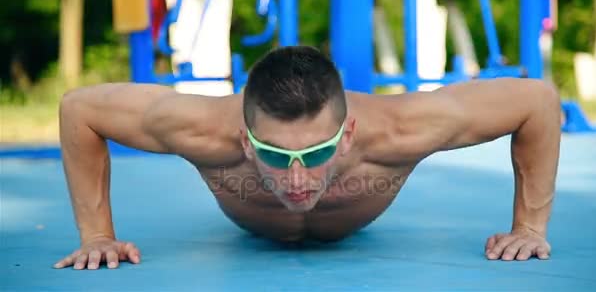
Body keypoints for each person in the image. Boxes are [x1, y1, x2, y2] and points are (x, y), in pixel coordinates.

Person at [53, 46, 561, 270]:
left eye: (316, 151)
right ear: (246, 141)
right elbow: (80, 110)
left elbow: (536, 102)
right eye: (275, 155)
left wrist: (530, 227)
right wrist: (97, 235)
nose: (296, 177)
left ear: (347, 136)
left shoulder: (406, 128)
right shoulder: (199, 130)